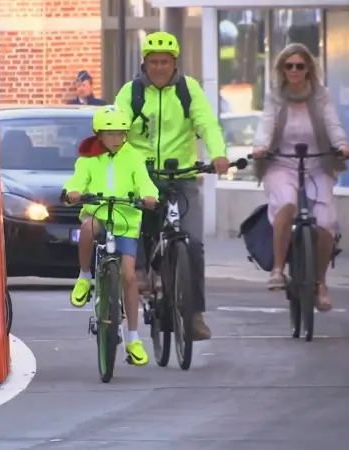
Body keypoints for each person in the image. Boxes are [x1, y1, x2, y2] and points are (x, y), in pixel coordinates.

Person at [114, 31, 229, 341]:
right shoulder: (132, 92)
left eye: (165, 62)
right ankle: (139, 271)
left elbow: (207, 124)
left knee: (192, 241)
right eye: (154, 62)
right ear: (145, 62)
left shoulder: (188, 91)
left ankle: (194, 314)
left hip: (182, 176)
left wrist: (218, 154)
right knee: (133, 220)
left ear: (175, 63)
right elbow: (116, 126)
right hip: (143, 175)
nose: (160, 67)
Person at [250, 42, 349, 309]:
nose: (294, 70)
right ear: (282, 69)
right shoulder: (275, 96)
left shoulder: (321, 95)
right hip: (281, 163)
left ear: (308, 69)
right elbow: (266, 123)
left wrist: (341, 145)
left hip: (317, 163)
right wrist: (260, 147)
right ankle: (278, 270)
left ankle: (320, 283)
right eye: (289, 66)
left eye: (299, 66)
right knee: (286, 204)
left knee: (326, 222)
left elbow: (332, 122)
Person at [64, 105, 159, 366]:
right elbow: (77, 181)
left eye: (120, 133)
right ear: (99, 134)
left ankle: (132, 338)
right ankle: (84, 276)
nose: (116, 138)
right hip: (98, 213)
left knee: (129, 277)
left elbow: (144, 181)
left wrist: (150, 196)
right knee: (86, 228)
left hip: (126, 221)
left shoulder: (133, 157)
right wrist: (72, 192)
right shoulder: (87, 158)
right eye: (110, 133)